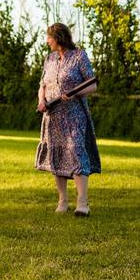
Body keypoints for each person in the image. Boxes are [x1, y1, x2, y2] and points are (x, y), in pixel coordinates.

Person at [35, 23, 101, 216]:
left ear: (59, 37)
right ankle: (62, 201)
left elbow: (92, 85)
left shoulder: (79, 56)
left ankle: (82, 203)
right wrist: (41, 101)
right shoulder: (49, 59)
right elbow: (43, 85)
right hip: (52, 116)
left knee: (77, 153)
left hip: (74, 116)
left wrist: (75, 94)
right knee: (57, 156)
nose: (47, 41)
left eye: (49, 37)